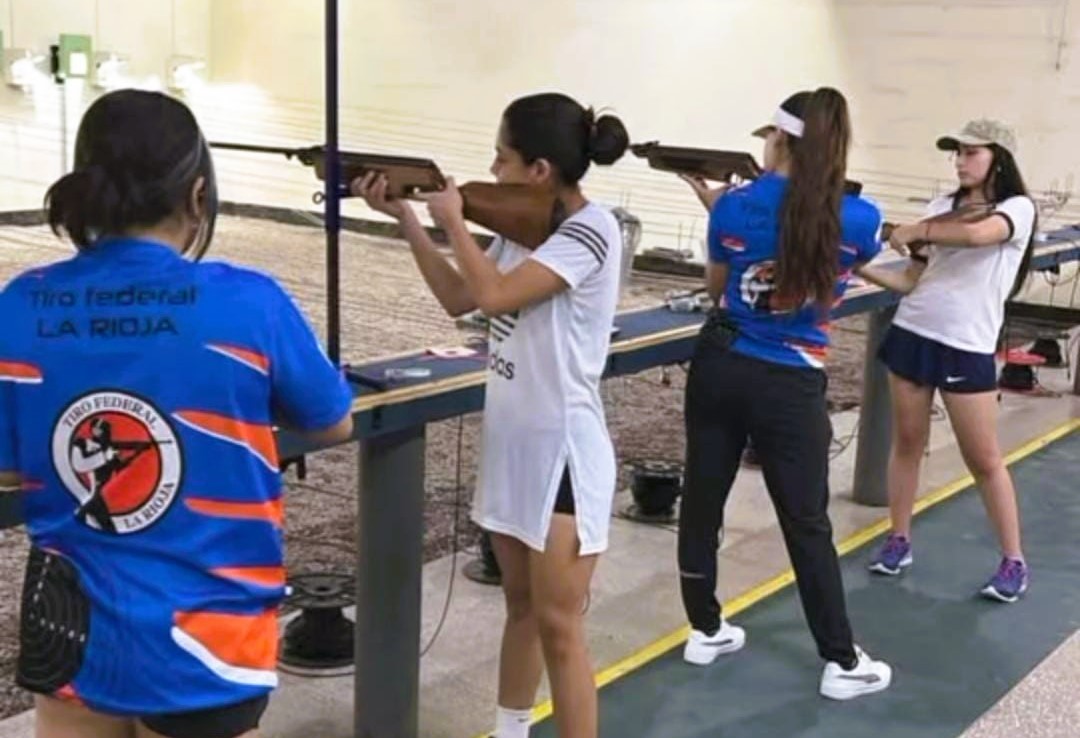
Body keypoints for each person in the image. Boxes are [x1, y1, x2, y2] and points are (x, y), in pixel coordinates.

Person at [0, 89, 354, 738]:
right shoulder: (251, 303)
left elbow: (8, 463)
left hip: (71, 622)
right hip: (209, 629)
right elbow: (332, 418)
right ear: (197, 195)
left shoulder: (20, 303)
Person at [354, 92, 628, 738]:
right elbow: (461, 297)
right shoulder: (523, 228)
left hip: (562, 453)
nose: (492, 170)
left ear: (539, 170)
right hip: (514, 444)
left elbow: (496, 294)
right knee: (521, 605)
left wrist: (453, 219)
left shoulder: (591, 230)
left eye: (502, 158)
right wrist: (409, 219)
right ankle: (511, 730)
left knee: (560, 627)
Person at [676, 88, 892, 700]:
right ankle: (841, 660)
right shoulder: (861, 219)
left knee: (702, 500)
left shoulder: (733, 205)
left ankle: (705, 629)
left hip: (720, 363)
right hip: (790, 380)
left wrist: (721, 212)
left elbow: (717, 289)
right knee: (805, 521)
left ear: (780, 139)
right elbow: (850, 255)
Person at [867, 119, 1037, 604]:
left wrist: (916, 230)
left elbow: (981, 236)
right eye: (957, 153)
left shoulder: (1016, 208)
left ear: (998, 158)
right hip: (914, 331)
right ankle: (898, 539)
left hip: (966, 344)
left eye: (971, 152)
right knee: (907, 442)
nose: (961, 162)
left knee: (983, 458)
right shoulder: (940, 206)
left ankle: (1014, 561)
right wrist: (857, 266)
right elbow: (912, 279)